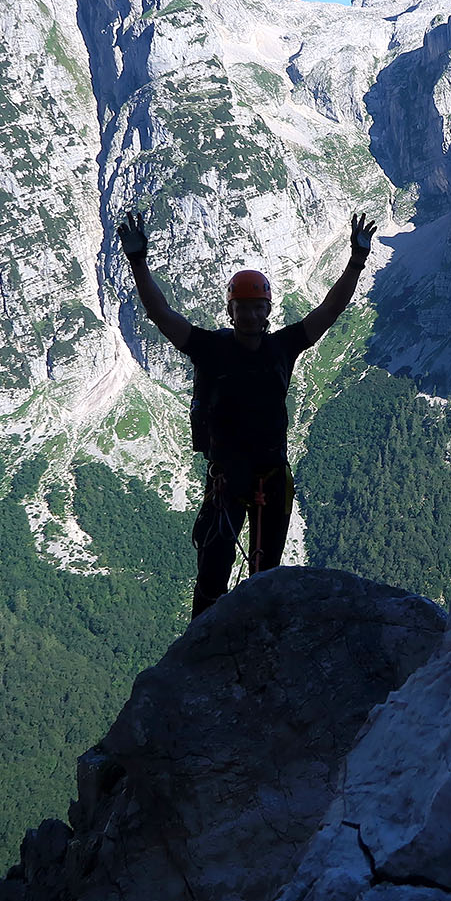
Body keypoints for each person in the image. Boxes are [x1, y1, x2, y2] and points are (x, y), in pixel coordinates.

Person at [116, 207, 374, 617]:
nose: (252, 315)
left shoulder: (282, 347)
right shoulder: (211, 349)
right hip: (231, 477)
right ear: (230, 312)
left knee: (265, 573)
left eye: (258, 307)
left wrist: (357, 262)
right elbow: (161, 315)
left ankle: (254, 643)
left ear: (268, 311)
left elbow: (330, 310)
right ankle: (201, 649)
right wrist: (138, 262)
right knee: (214, 573)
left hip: (270, 476)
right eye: (244, 307)